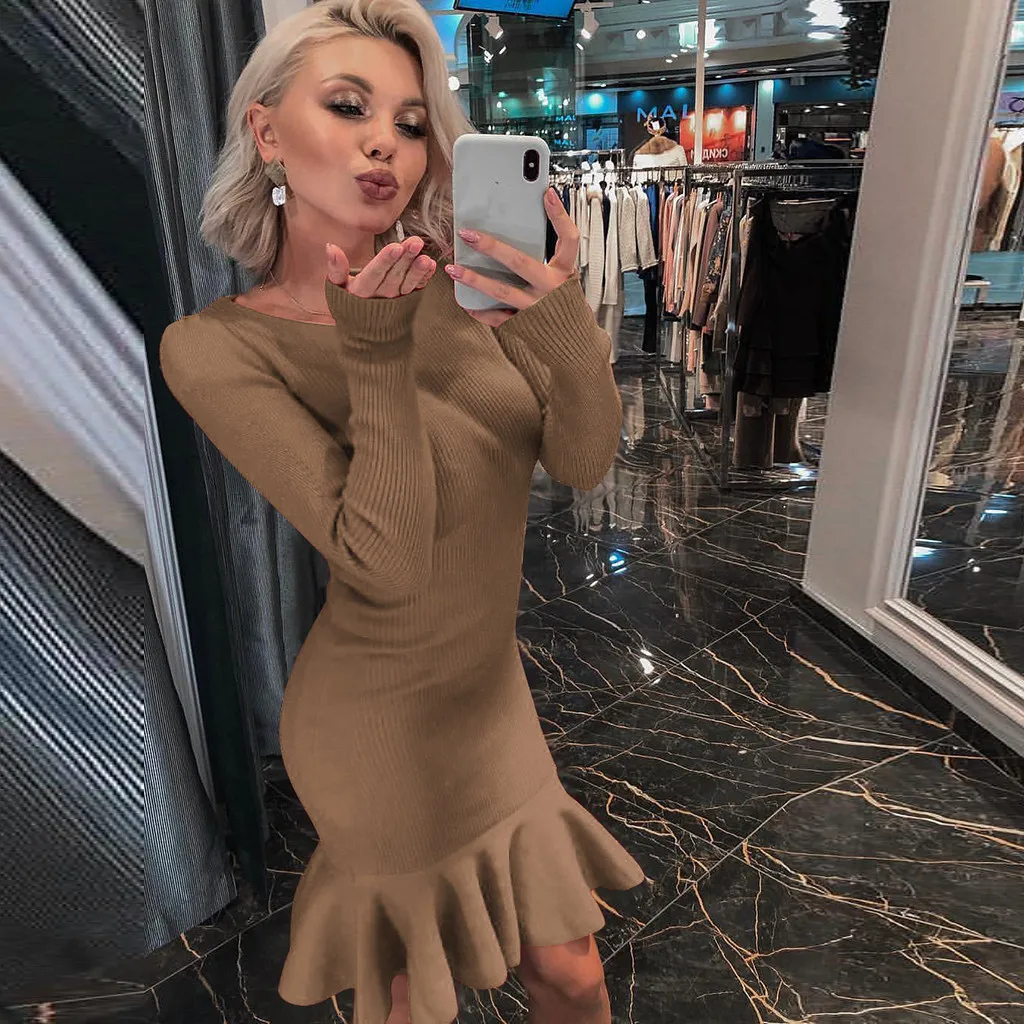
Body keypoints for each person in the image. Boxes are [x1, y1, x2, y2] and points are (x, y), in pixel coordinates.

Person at [159, 2, 645, 1023]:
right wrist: (372, 354)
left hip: (492, 700)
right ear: (267, 131)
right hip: (377, 729)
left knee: (572, 975)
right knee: (411, 1000)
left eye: (412, 122)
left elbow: (582, 459)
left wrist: (558, 317)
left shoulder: (466, 290)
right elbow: (383, 558)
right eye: (348, 107)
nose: (385, 140)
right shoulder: (215, 347)